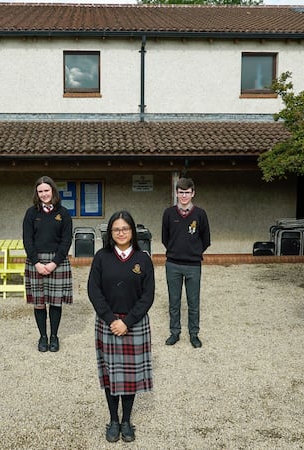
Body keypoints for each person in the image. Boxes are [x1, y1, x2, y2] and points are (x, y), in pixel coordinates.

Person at [88, 211, 155, 443]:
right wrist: (110, 319)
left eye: (125, 229)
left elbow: (148, 296)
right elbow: (93, 291)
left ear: (132, 232)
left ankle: (126, 420)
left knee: (129, 377)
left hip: (134, 324)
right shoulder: (101, 257)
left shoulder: (143, 258)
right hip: (108, 323)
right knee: (110, 376)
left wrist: (127, 321)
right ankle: (113, 420)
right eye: (116, 229)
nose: (121, 233)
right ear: (110, 232)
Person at [22, 176, 73, 353]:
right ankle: (43, 336)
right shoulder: (31, 213)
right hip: (35, 262)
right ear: (37, 193)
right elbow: (27, 240)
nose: (44, 194)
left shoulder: (64, 213)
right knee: (39, 302)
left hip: (57, 262)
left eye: (47, 190)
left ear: (53, 191)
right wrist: (36, 262)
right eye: (40, 191)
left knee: (55, 302)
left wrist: (53, 263)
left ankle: (54, 337)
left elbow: (66, 241)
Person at [161, 177, 211, 348]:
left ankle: (194, 334)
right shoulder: (168, 213)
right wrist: (176, 251)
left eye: (187, 192)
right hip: (173, 264)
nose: (184, 196)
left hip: (193, 265)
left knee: (193, 302)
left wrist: (193, 252)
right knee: (174, 302)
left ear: (193, 193)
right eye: (181, 192)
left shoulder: (200, 214)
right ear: (176, 193)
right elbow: (164, 238)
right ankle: (174, 333)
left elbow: (206, 239)